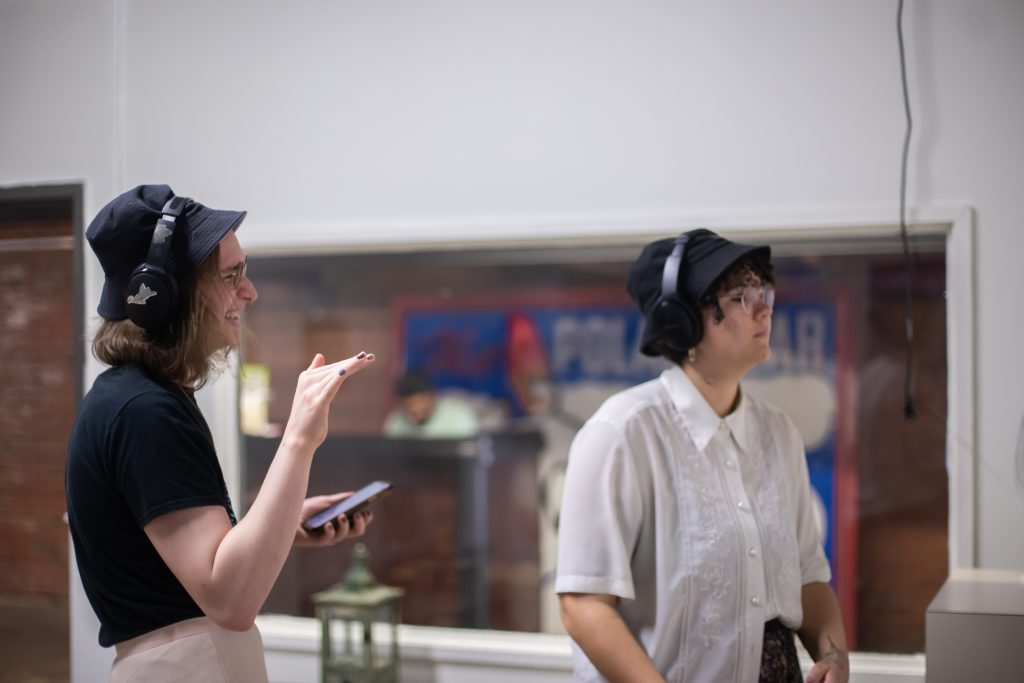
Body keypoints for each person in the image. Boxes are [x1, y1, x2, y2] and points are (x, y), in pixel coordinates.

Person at [65, 184, 377, 682]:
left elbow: (195, 559)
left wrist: (282, 524)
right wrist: (300, 435)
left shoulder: (138, 399)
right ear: (166, 296)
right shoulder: (144, 411)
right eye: (232, 276)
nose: (248, 292)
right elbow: (230, 599)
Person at [555, 229, 849, 683]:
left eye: (762, 289)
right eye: (740, 295)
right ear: (682, 321)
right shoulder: (621, 433)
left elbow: (809, 577)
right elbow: (583, 604)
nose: (764, 307)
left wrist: (833, 656)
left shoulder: (779, 432)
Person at [382, 369, 479, 439]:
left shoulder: (460, 416)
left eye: (421, 404)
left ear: (433, 397)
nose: (417, 410)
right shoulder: (395, 423)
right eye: (409, 406)